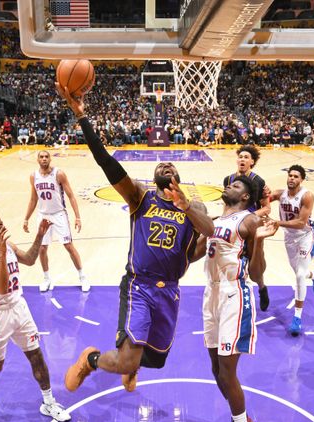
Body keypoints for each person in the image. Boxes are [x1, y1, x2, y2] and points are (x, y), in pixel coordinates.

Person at [57, 84, 215, 394]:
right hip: (139, 286)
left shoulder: (193, 208)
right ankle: (89, 359)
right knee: (127, 360)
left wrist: (185, 209)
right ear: (155, 178)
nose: (166, 164)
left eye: (171, 165)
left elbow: (206, 233)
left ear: (178, 178)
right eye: (160, 166)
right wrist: (82, 118)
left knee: (154, 359)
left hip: (169, 290)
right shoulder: (140, 198)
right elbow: (106, 162)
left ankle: (131, 363)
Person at [200, 174, 278, 422]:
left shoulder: (248, 221)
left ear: (246, 197)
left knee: (228, 371)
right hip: (211, 294)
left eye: (236, 185)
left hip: (235, 295)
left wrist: (258, 243)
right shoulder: (217, 220)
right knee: (216, 369)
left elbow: (257, 272)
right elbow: (197, 254)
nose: (229, 186)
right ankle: (241, 419)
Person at [0, 211, 71, 422]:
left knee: (36, 355)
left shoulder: (9, 245)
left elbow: (31, 260)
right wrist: (3, 252)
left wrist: (40, 235)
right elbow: (2, 288)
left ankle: (49, 403)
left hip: (19, 307)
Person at [22, 150, 89, 292]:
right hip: (43, 215)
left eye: (46, 157)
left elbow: (71, 196)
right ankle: (46, 278)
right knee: (42, 249)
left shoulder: (59, 174)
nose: (44, 159)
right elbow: (33, 199)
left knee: (68, 246)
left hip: (59, 214)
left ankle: (82, 276)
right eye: (41, 157)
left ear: (50, 159)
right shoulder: (33, 176)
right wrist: (26, 218)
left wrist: (77, 217)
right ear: (37, 159)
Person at [268, 164, 314, 336]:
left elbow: (300, 223)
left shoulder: (307, 196)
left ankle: (297, 317)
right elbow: (263, 199)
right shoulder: (279, 194)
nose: (292, 178)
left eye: (296, 176)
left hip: (305, 236)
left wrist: (277, 222)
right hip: (289, 237)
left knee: (299, 275)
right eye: (290, 175)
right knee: (300, 272)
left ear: (302, 180)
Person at [223, 145, 272, 310]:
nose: (242, 159)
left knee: (254, 260)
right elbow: (227, 205)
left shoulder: (259, 182)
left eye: (246, 157)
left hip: (251, 226)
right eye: (240, 156)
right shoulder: (228, 179)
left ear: (252, 162)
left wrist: (247, 217)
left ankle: (261, 286)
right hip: (233, 226)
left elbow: (266, 208)